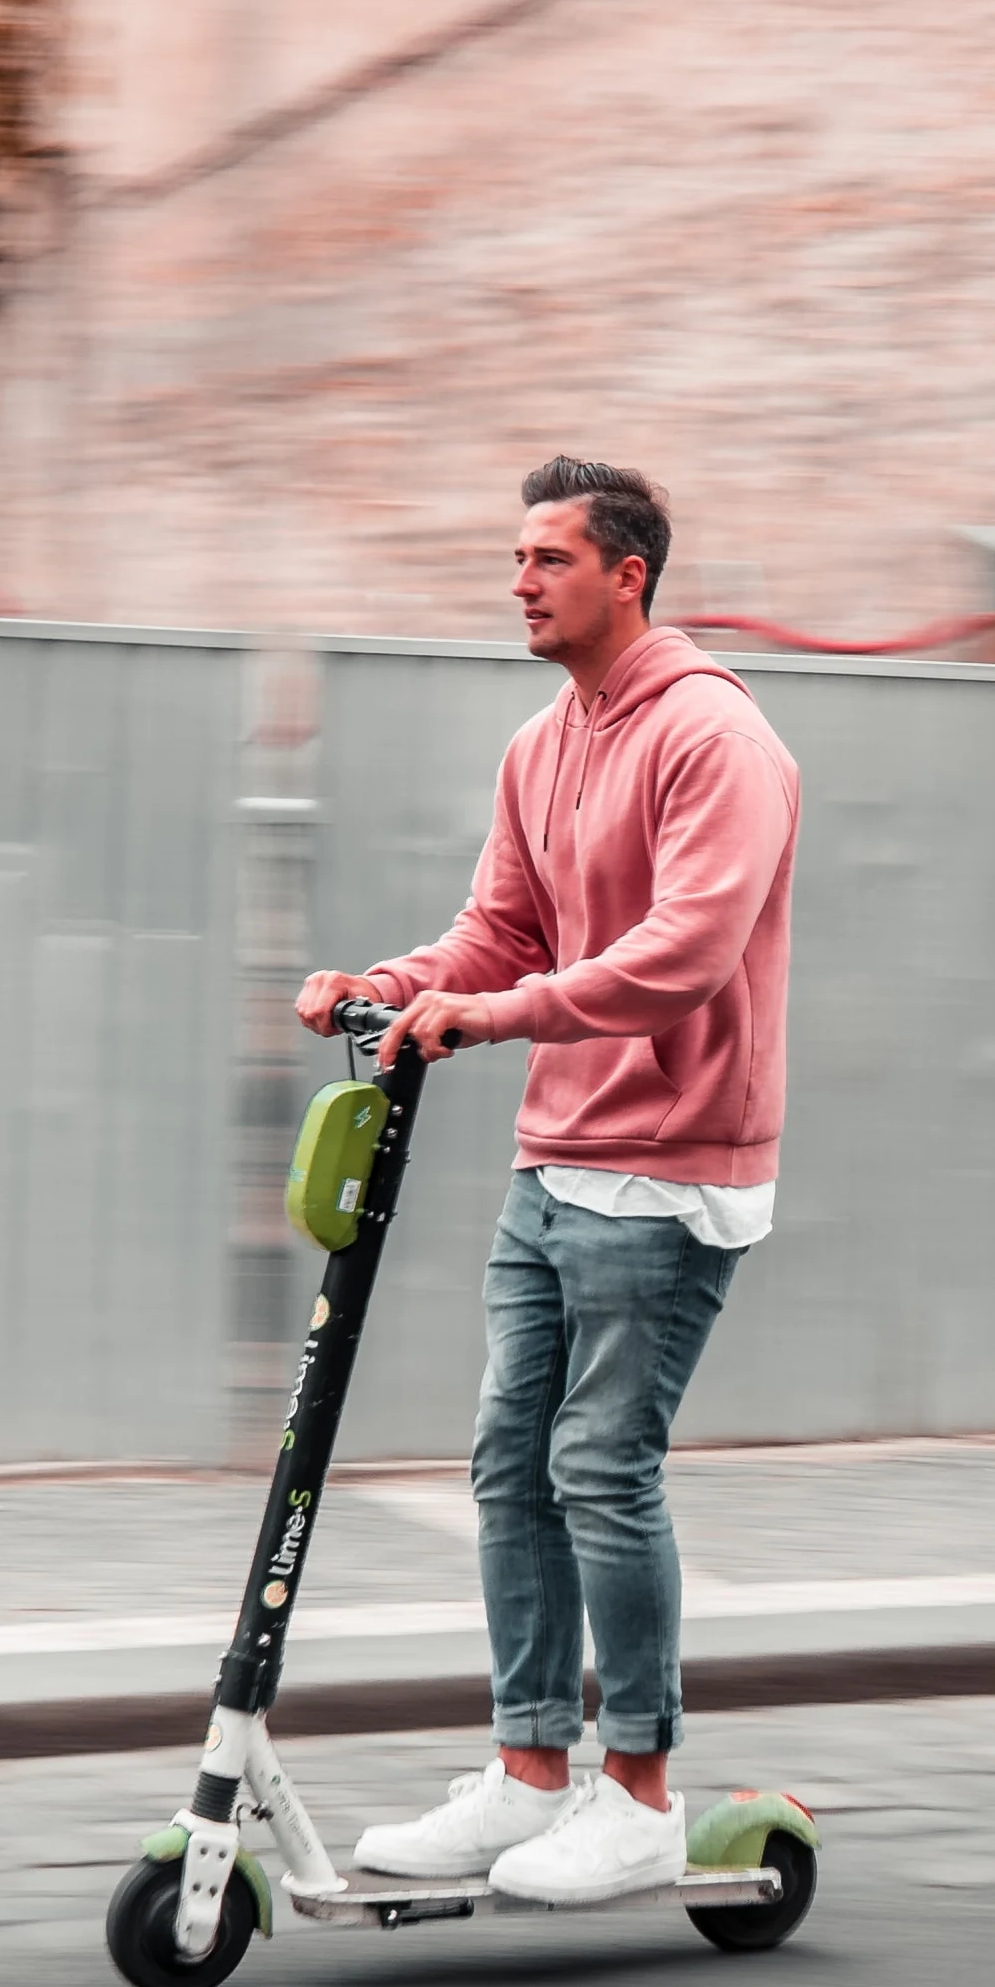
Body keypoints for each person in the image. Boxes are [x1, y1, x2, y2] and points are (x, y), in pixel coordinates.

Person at [298, 456, 800, 1904]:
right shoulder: (542, 743)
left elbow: (683, 955)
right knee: (506, 1465)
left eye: (545, 559)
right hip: (557, 1156)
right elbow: (498, 928)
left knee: (599, 1464)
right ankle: (529, 1774)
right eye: (515, 559)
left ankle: (636, 1789)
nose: (517, 581)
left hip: (671, 1163)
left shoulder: (716, 740)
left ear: (624, 574)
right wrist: (388, 986)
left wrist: (496, 1018)